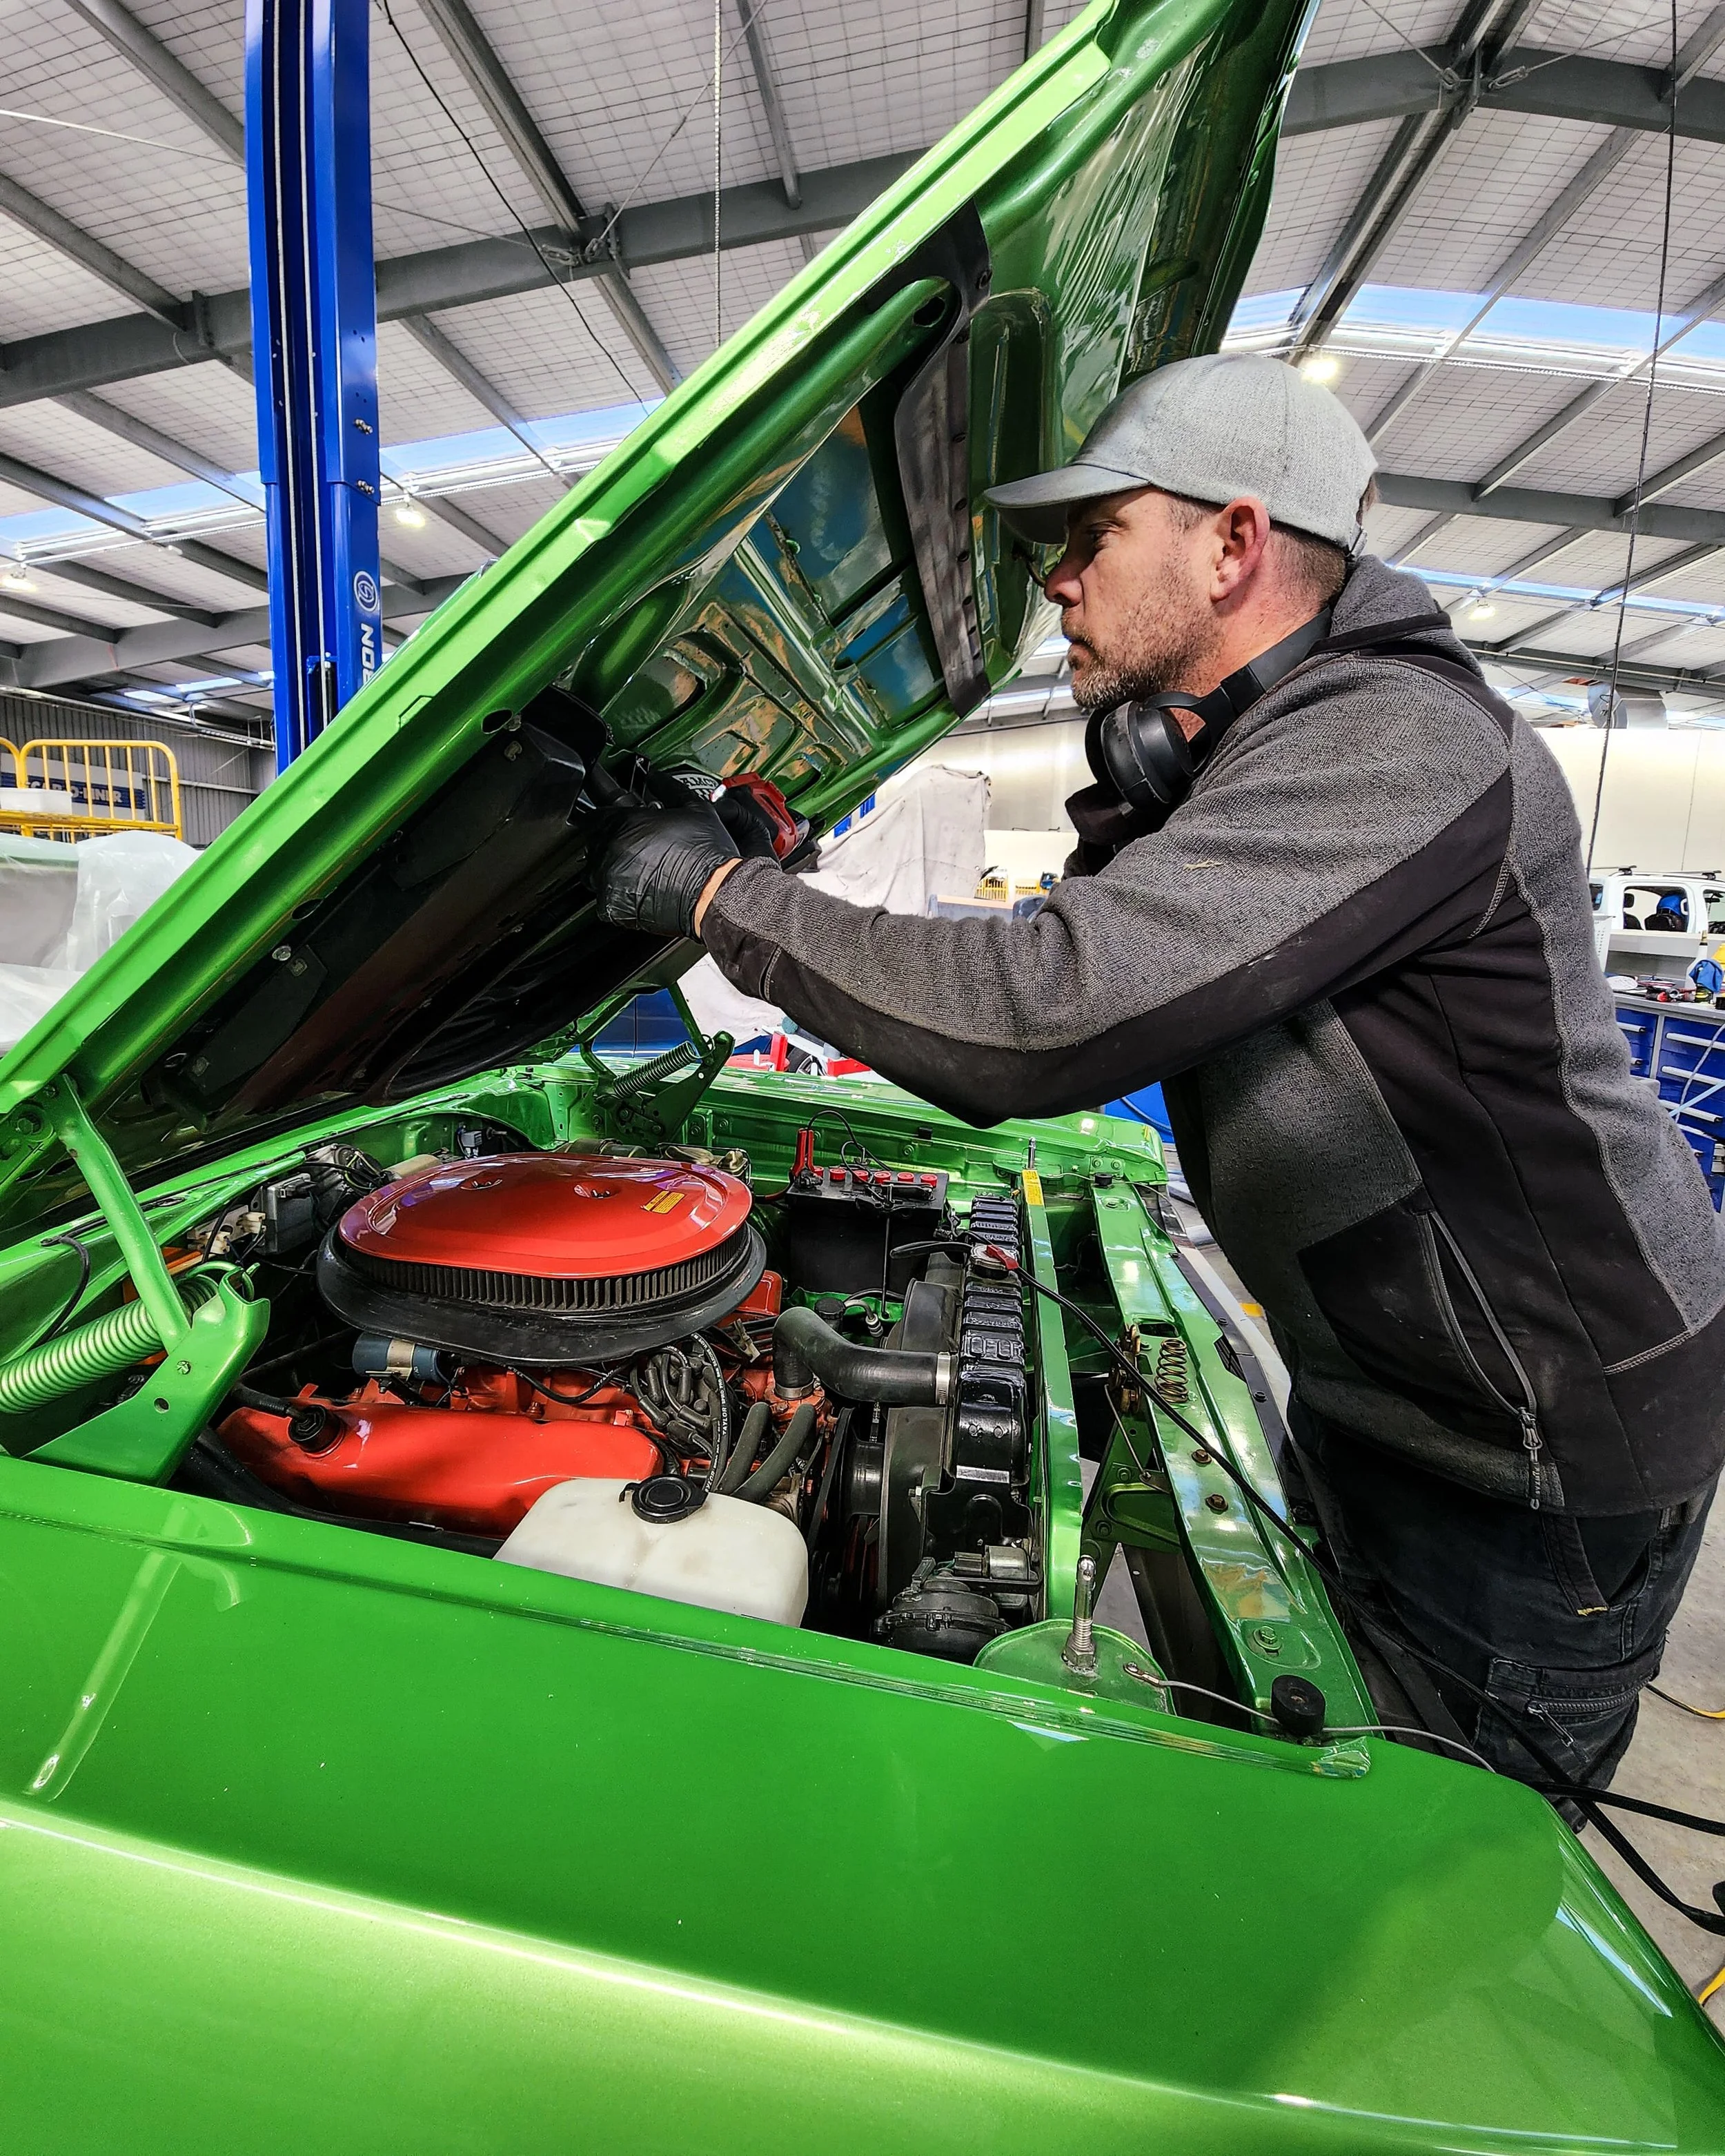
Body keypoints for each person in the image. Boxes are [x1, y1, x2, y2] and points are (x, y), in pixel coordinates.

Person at [590, 351, 1725, 1796]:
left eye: (1090, 537)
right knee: (1326, 1744)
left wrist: (715, 899)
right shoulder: (1246, 751)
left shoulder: (1394, 737)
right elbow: (1071, 955)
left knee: (1424, 1847)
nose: (1055, 582)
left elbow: (1039, 1010)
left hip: (1527, 1444)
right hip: (1402, 1381)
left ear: (1231, 541)